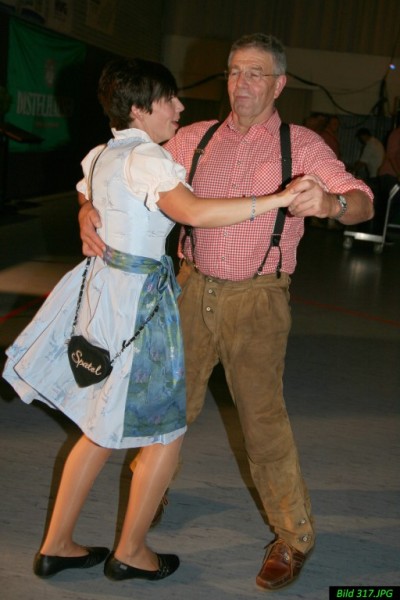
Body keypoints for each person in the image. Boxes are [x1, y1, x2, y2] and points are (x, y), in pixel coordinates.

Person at [78, 35, 374, 591]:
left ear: (279, 84)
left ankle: (294, 536)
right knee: (168, 411)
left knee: (262, 422)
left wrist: (333, 204)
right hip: (189, 289)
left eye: (256, 73)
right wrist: (86, 207)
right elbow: (115, 171)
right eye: (235, 71)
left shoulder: (301, 145)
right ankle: (151, 497)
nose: (242, 83)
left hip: (258, 299)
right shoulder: (192, 137)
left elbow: (362, 199)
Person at [2, 57, 298, 583]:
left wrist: (85, 208)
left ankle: (57, 545)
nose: (179, 106)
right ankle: (132, 551)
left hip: (103, 293)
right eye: (169, 99)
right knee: (164, 433)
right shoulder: (147, 157)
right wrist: (276, 200)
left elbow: (86, 189)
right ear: (140, 109)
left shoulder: (105, 153)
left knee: (98, 426)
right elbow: (194, 213)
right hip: (138, 303)